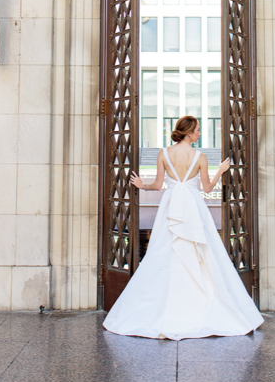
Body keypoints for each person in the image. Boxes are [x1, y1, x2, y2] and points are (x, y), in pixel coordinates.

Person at [103, 115, 265, 340]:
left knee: (163, 253)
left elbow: (158, 185)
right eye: (197, 130)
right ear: (188, 132)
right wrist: (221, 171)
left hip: (170, 208)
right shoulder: (200, 157)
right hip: (193, 208)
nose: (199, 134)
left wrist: (142, 185)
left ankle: (159, 307)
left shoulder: (163, 153)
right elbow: (207, 189)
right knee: (203, 253)